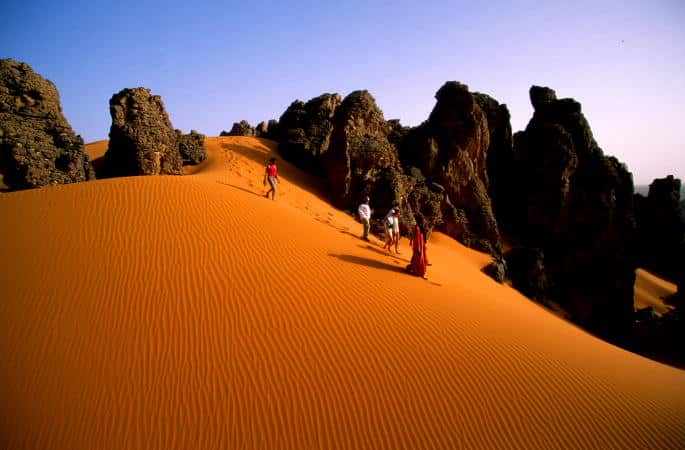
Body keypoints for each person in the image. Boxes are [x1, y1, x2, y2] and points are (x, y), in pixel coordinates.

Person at [407, 213, 428, 279]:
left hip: (422, 245)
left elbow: (424, 237)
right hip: (418, 245)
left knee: (422, 258)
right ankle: (421, 273)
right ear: (420, 220)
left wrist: (425, 245)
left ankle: (419, 271)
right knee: (419, 258)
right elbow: (415, 237)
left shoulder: (421, 227)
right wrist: (418, 247)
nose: (424, 221)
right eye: (423, 220)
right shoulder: (417, 228)